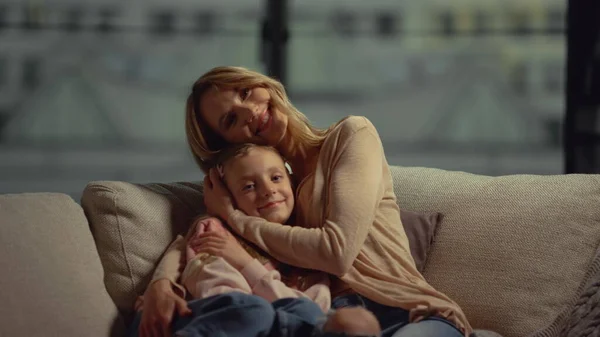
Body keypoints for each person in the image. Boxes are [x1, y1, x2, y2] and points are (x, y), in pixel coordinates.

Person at [141, 66, 474, 337]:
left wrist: (236, 219)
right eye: (230, 120)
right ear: (225, 146)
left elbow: (336, 252)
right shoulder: (265, 196)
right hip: (328, 320)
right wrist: (160, 284)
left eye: (245, 92)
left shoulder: (351, 136)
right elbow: (200, 233)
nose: (250, 112)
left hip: (409, 311)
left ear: (263, 85)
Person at [131, 143, 381, 337]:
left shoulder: (305, 252)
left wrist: (247, 267)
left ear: (291, 181)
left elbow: (313, 311)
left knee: (318, 316)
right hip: (184, 321)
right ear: (227, 198)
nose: (267, 190)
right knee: (253, 311)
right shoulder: (215, 232)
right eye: (249, 186)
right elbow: (218, 294)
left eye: (276, 178)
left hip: (269, 325)